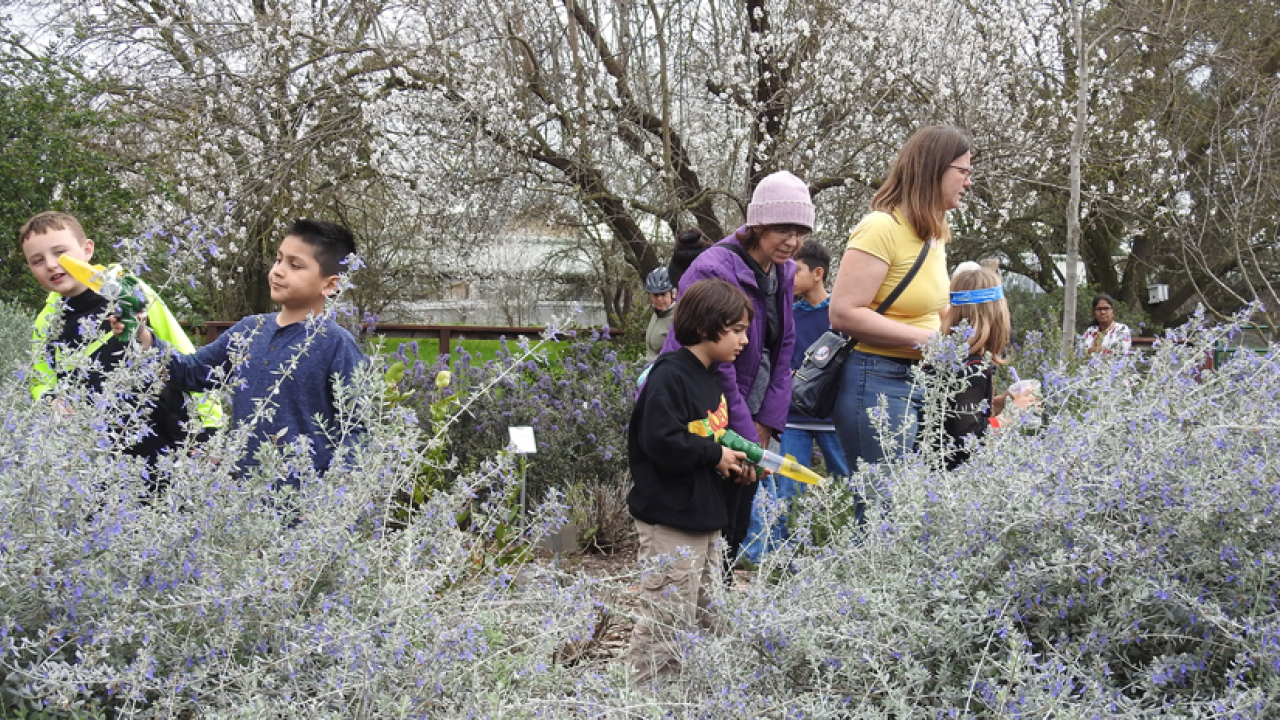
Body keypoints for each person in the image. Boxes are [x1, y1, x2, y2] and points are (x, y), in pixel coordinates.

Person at [136, 218, 364, 483]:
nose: (278, 271)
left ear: (330, 285)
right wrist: (144, 337)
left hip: (301, 507)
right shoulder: (249, 330)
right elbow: (192, 372)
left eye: (295, 265)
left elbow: (357, 429)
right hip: (244, 500)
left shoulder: (336, 345)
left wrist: (330, 500)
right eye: (278, 260)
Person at [660, 170, 810, 564]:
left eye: (801, 231)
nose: (793, 242)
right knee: (710, 525)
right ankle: (690, 616)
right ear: (758, 224)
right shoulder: (716, 267)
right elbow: (718, 363)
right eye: (783, 229)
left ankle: (720, 611)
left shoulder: (783, 270)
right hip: (708, 411)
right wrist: (745, 432)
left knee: (738, 523)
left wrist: (766, 423)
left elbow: (785, 347)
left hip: (754, 414)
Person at [19, 211, 222, 489]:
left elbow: (188, 358)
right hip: (98, 464)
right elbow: (41, 377)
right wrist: (50, 400)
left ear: (87, 249)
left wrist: (209, 431)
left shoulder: (130, 292)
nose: (52, 265)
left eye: (60, 252)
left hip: (169, 449)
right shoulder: (47, 319)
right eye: (37, 261)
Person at [829, 125, 971, 491]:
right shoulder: (880, 228)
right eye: (963, 171)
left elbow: (935, 308)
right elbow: (843, 312)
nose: (968, 182)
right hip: (876, 380)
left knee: (912, 507)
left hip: (921, 380)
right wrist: (928, 339)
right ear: (935, 169)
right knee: (882, 510)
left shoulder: (934, 233)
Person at [625, 278, 751, 684]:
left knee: (705, 611)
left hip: (703, 518)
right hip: (670, 522)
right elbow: (661, 441)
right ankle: (645, 698)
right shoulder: (669, 377)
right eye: (736, 330)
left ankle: (692, 693)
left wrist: (733, 461)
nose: (744, 340)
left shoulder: (711, 378)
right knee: (666, 618)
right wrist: (715, 454)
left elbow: (711, 439)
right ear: (703, 328)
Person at [742, 239, 849, 564]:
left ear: (818, 273)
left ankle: (847, 552)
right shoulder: (787, 312)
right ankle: (785, 561)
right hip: (792, 419)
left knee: (846, 484)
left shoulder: (841, 315)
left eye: (796, 269)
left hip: (833, 419)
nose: (788, 276)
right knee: (790, 490)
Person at [939, 264, 1012, 469]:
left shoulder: (949, 357)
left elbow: (960, 413)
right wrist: (1014, 414)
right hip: (951, 484)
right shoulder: (972, 368)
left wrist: (1001, 402)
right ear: (997, 314)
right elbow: (969, 439)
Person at [643, 268, 677, 361]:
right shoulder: (657, 314)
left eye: (663, 294)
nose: (659, 299)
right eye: (655, 295)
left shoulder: (678, 318)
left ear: (673, 293)